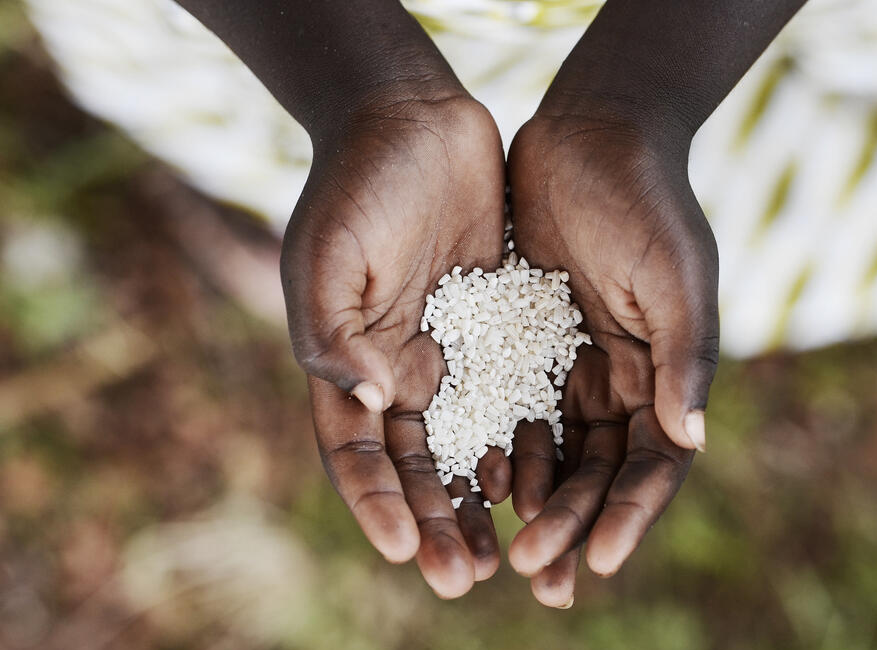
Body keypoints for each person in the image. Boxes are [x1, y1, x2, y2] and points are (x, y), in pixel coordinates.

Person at [166, 0, 806, 607]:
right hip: (307, 40)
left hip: (686, 38)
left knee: (759, 269)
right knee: (264, 170)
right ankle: (254, 207)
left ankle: (290, 241)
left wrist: (633, 105)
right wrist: (366, 99)